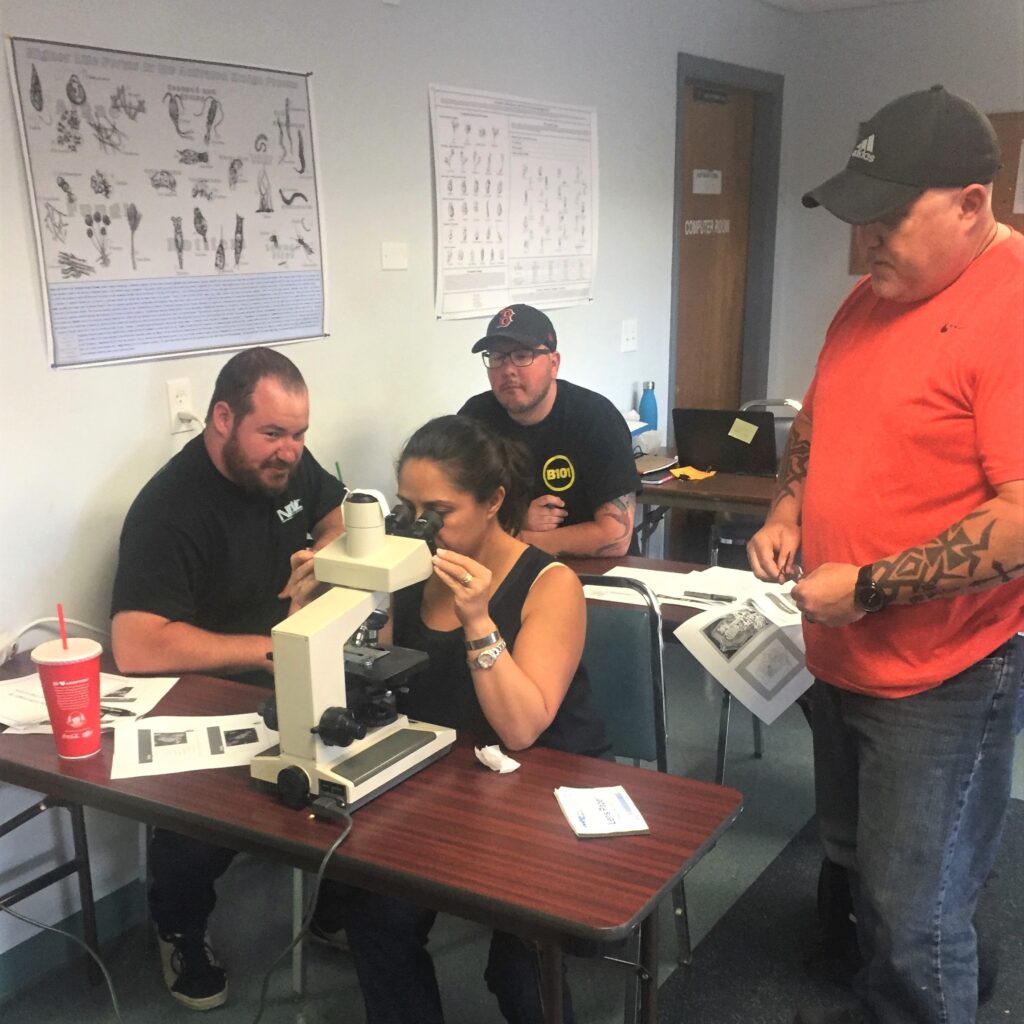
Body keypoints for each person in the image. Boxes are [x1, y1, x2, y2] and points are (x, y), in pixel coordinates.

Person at [747, 86, 1023, 1024]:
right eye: (859, 217)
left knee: (916, 920)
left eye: (889, 217)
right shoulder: (868, 299)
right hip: (843, 659)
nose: (867, 241)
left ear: (971, 204)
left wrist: (867, 587)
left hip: (940, 677)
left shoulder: (1013, 307)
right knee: (870, 877)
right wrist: (789, 506)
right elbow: (816, 421)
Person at [338, 414, 610, 1024]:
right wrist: (324, 608)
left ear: (493, 502)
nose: (420, 527)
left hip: (546, 780)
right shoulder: (410, 572)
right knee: (374, 915)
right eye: (408, 509)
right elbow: (369, 678)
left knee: (520, 961)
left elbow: (522, 727)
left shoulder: (550, 582)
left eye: (438, 511)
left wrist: (478, 620)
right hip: (451, 780)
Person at [111, 346, 345, 1010]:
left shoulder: (287, 469)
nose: (291, 451)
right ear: (221, 418)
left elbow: (332, 513)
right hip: (208, 682)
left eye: (300, 434)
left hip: (289, 657)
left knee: (370, 747)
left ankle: (335, 903)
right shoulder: (170, 509)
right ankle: (179, 923)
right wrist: (266, 648)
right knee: (200, 812)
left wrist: (325, 557)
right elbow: (135, 644)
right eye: (273, 433)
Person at [459, 304, 638, 557]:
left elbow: (615, 537)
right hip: (506, 571)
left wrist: (517, 538)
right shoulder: (475, 418)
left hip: (598, 577)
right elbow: (456, 513)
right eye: (497, 357)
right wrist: (516, 521)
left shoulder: (596, 418)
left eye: (522, 356)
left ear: (554, 364)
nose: (507, 370)